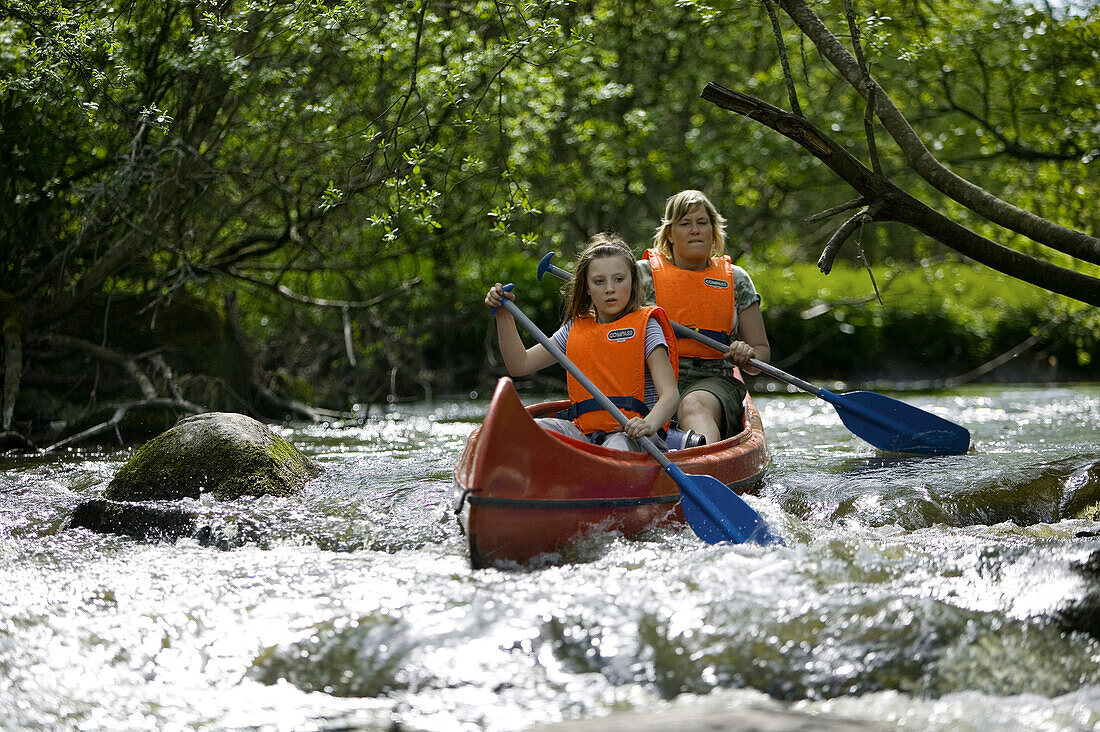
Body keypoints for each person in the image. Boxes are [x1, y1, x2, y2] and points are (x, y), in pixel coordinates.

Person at [485, 233, 680, 452]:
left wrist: (648, 423)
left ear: (633, 282)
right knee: (529, 428)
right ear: (587, 287)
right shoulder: (575, 329)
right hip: (584, 432)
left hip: (635, 436)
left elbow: (670, 395)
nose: (609, 289)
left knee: (616, 445)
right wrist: (503, 315)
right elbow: (520, 364)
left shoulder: (647, 327)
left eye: (619, 279)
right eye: (599, 281)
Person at [637, 189, 772, 446]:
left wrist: (748, 355)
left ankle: (704, 464)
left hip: (711, 379)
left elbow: (761, 355)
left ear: (713, 230)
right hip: (652, 380)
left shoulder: (738, 279)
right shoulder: (640, 276)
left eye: (702, 223)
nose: (695, 230)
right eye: (685, 224)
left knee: (693, 405)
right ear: (670, 234)